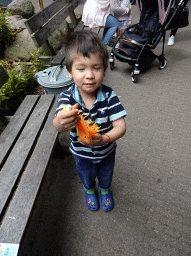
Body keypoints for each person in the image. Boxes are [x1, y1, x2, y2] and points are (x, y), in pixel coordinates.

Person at [53, 30, 127, 212]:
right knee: (86, 175)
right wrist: (62, 122)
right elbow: (57, 125)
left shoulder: (109, 96)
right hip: (81, 154)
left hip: (107, 152)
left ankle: (104, 190)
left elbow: (120, 126)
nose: (89, 75)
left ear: (104, 70)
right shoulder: (67, 98)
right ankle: (89, 190)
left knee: (106, 174)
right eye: (81, 68)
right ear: (69, 72)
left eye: (96, 67)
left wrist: (104, 139)